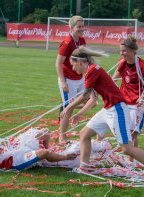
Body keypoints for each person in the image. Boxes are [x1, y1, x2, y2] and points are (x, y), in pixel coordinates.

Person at [60, 46, 144, 188]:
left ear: (80, 62)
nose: (73, 69)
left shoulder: (92, 70)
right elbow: (93, 99)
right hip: (107, 109)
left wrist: (69, 107)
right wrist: (79, 114)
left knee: (127, 148)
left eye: (73, 65)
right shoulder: (91, 71)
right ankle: (84, 167)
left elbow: (85, 95)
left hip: (117, 109)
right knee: (85, 134)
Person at [0, 109, 77, 174]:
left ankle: (48, 156)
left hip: (13, 145)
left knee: (45, 132)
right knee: (42, 153)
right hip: (12, 160)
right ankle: (63, 156)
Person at [112, 36, 144, 162]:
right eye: (120, 51)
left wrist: (142, 97)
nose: (121, 53)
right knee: (122, 130)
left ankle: (131, 161)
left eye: (124, 51)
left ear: (132, 51)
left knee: (133, 134)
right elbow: (114, 78)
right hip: (124, 102)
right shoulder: (122, 63)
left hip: (137, 104)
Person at [55, 15, 87, 143]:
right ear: (71, 27)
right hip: (68, 80)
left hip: (80, 78)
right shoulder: (67, 43)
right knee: (69, 109)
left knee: (91, 102)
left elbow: (84, 60)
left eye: (83, 26)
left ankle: (65, 106)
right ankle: (62, 137)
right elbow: (58, 63)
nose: (81, 29)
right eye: (79, 26)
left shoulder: (82, 41)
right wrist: (63, 82)